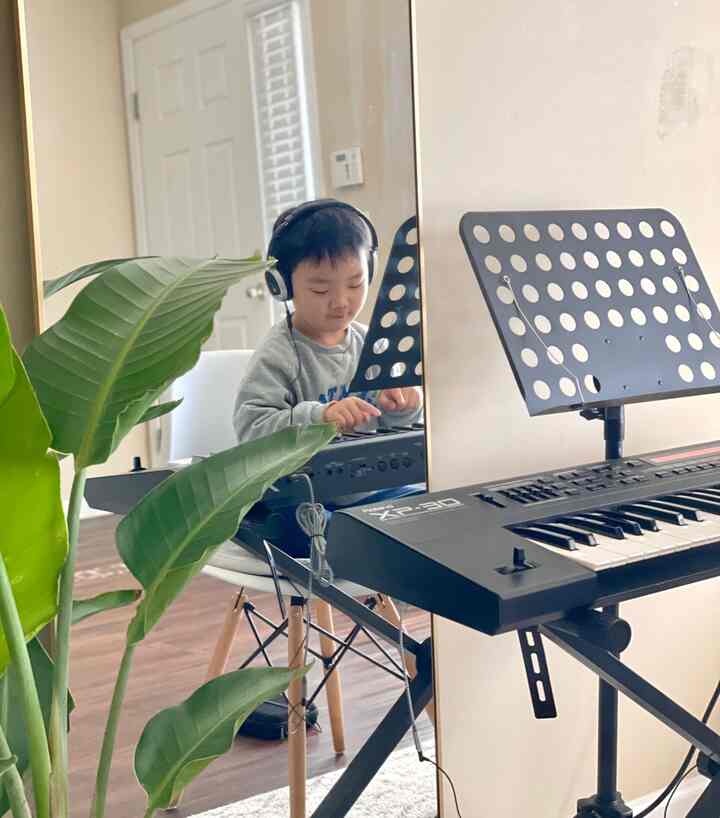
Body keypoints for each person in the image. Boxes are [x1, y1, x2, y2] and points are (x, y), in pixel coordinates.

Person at [233, 198, 424, 556]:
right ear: (282, 285)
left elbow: (396, 429)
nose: (340, 302)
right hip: (306, 498)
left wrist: (403, 408)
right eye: (321, 290)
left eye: (355, 284)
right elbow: (251, 429)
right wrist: (319, 417)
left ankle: (371, 546)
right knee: (303, 527)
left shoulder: (373, 344)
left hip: (372, 493)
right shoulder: (279, 354)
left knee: (432, 505)